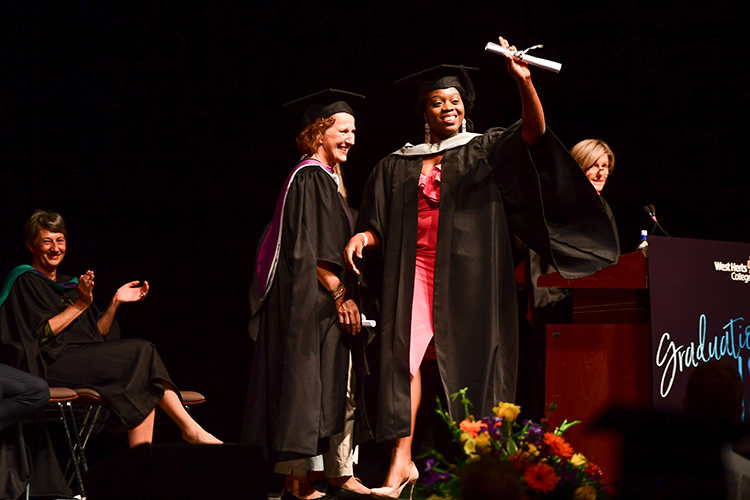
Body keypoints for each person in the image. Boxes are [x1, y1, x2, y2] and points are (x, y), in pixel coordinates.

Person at [345, 36, 618, 499]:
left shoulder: (484, 148)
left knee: (473, 362)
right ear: (425, 111)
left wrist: (524, 82)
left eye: (454, 100)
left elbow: (533, 130)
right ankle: (400, 464)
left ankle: (483, 470)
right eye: (437, 101)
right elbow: (381, 222)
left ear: (464, 106)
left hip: (468, 277)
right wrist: (364, 236)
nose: (447, 107)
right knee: (402, 361)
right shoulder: (398, 163)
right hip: (414, 270)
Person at [0, 210, 222, 449]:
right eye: (47, 241)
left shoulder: (71, 285)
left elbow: (95, 334)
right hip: (48, 365)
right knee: (142, 351)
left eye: (60, 240)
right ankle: (189, 429)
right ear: (31, 246)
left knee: (141, 376)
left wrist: (115, 302)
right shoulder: (24, 280)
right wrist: (82, 304)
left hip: (79, 359)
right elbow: (41, 333)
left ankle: (143, 462)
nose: (55, 248)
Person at [242, 92, 371, 500]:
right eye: (343, 130)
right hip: (311, 304)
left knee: (339, 384)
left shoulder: (330, 180)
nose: (351, 138)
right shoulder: (310, 176)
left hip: (322, 302)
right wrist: (339, 295)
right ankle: (297, 482)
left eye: (354, 131)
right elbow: (309, 249)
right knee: (304, 386)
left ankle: (339, 473)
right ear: (319, 131)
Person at [570, 138, 619, 252]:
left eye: (605, 166)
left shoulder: (603, 205)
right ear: (578, 167)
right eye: (594, 166)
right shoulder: (561, 200)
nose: (601, 174)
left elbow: (612, 252)